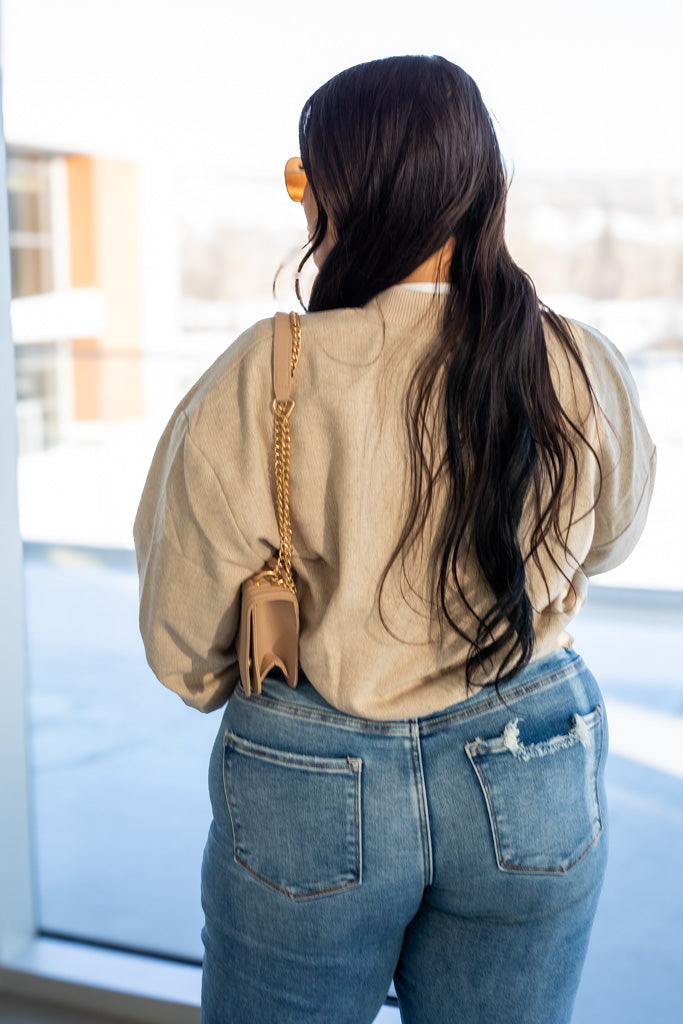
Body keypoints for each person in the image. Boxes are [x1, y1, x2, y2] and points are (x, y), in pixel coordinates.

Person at [133, 55, 656, 1024]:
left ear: (333, 187)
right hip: (529, 750)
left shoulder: (271, 364)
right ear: (482, 182)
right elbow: (610, 540)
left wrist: (221, 678)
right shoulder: (577, 356)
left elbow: (183, 624)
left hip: (310, 766)